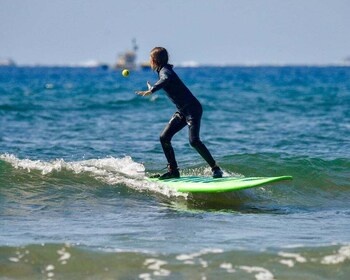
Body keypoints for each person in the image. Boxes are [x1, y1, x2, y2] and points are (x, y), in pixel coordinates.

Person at [136, 47, 223, 179]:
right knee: (164, 138)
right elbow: (164, 80)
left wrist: (152, 90)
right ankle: (173, 171)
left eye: (150, 59)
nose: (149, 62)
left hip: (192, 109)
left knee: (194, 141)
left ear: (154, 60)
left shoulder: (165, 72)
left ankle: (215, 168)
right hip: (182, 111)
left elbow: (165, 79)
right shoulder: (164, 71)